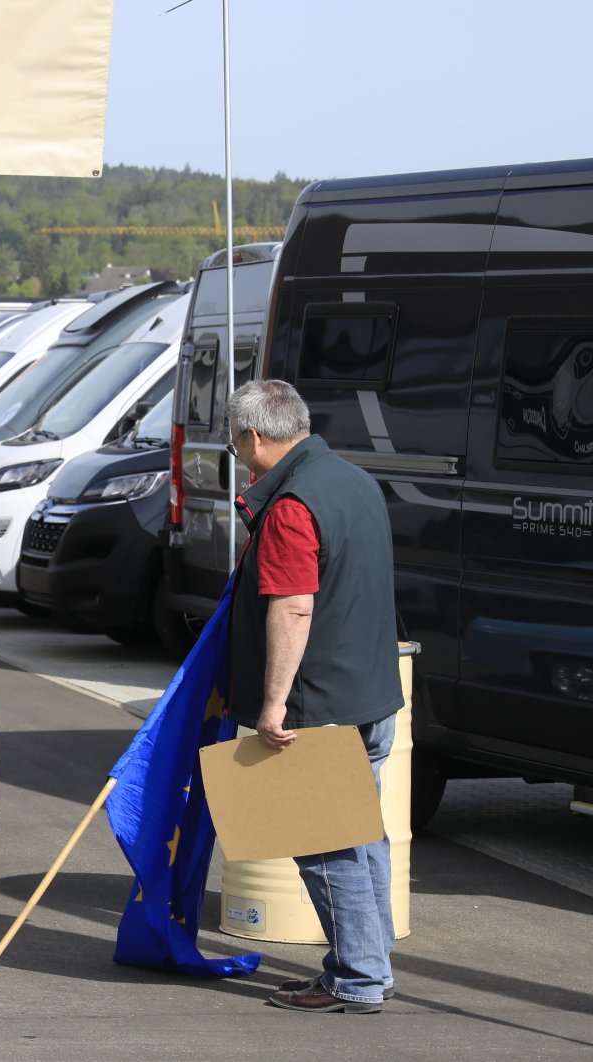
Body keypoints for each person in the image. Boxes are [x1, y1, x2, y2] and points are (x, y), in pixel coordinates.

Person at [224, 380, 403, 1015]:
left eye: (235, 443)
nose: (238, 455)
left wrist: (272, 704)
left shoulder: (292, 504)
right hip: (369, 694)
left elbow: (294, 607)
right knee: (362, 839)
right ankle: (372, 964)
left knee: (326, 845)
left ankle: (356, 976)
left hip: (316, 705)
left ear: (254, 436)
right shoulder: (354, 480)